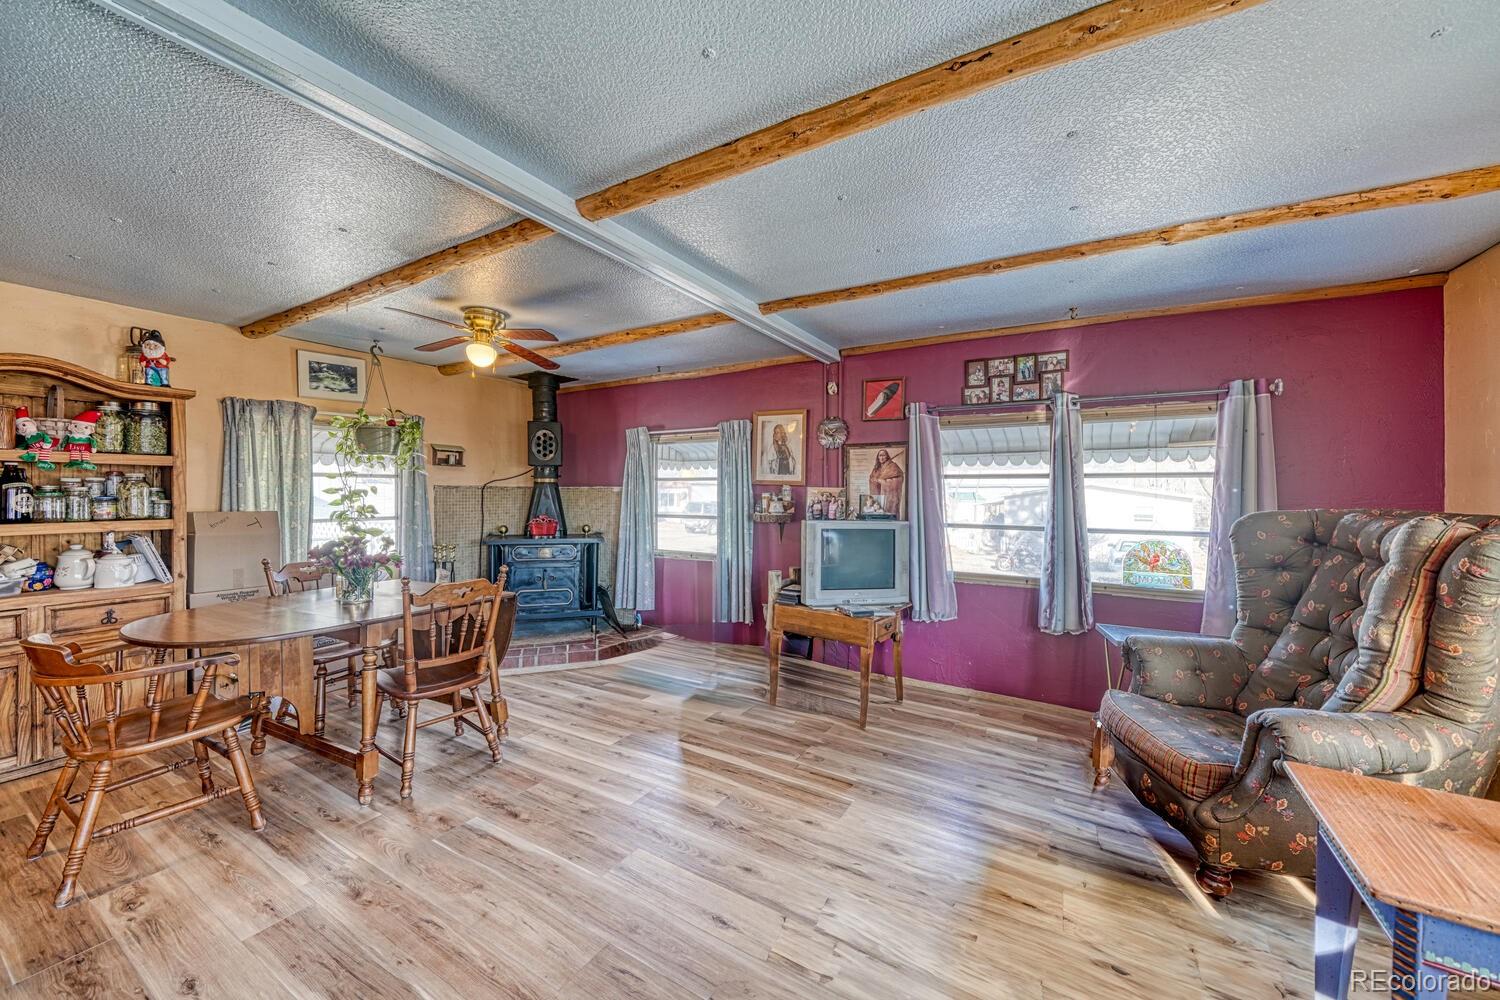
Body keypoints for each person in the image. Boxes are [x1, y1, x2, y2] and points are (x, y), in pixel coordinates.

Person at [868, 449, 905, 514]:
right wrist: (873, 481)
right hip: (879, 498)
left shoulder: (893, 466)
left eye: (883, 455)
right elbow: (871, 478)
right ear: (878, 457)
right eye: (880, 456)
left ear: (887, 456)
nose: (881, 458)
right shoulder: (876, 469)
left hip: (889, 499)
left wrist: (882, 481)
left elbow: (897, 481)